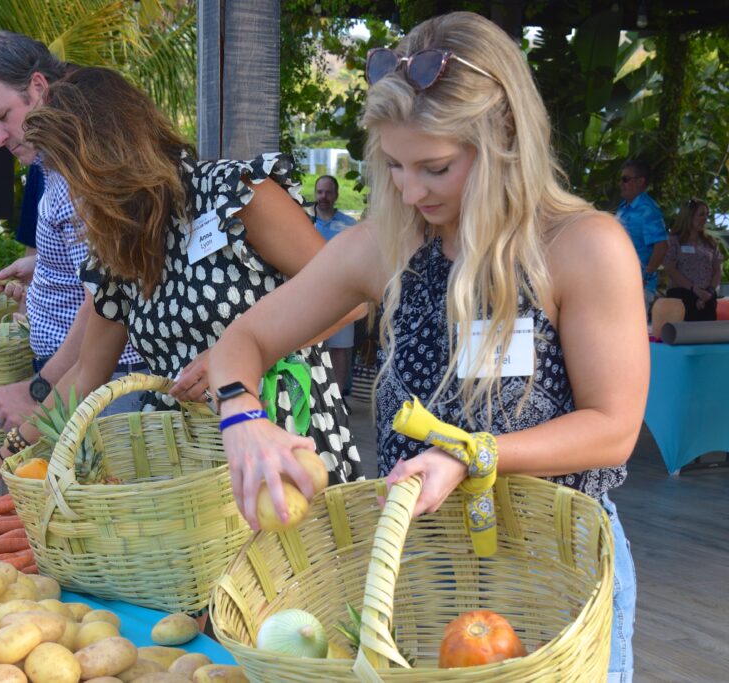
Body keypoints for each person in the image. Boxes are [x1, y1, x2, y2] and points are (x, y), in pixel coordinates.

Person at [207, 13, 643, 681]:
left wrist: (470, 455)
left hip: (556, 570)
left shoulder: (582, 247)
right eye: (393, 165)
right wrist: (242, 418)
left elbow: (613, 430)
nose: (410, 191)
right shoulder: (388, 244)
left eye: (435, 167)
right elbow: (245, 338)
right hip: (424, 576)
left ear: (503, 139)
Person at [0, 66, 364, 500]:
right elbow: (85, 373)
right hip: (188, 472)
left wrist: (241, 355)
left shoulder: (233, 195)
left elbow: (350, 298)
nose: (76, 192)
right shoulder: (120, 246)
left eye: (77, 173)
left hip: (287, 445)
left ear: (115, 149)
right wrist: (3, 458)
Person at [0, 31, 144, 445]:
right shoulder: (53, 161)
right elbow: (101, 265)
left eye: (2, 116)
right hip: (86, 377)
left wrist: (39, 387)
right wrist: (43, 270)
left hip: (102, 383)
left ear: (38, 88)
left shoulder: (81, 168)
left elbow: (106, 298)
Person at [312, 174, 358, 391]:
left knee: (340, 348)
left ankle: (338, 398)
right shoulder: (304, 221)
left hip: (341, 295)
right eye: (320, 192)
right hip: (310, 294)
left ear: (337, 195)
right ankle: (318, 397)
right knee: (312, 346)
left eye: (328, 192)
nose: (324, 196)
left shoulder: (350, 226)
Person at [617, 159, 667, 314]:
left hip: (638, 286)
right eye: (621, 179)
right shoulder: (623, 206)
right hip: (619, 281)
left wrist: (645, 277)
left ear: (640, 181)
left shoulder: (648, 210)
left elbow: (661, 245)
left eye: (625, 179)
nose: (621, 183)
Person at [663, 198, 722, 321]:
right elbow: (670, 269)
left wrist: (708, 293)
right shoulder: (674, 240)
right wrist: (694, 289)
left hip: (707, 298)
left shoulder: (710, 242)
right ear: (689, 216)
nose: (705, 218)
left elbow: (717, 270)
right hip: (681, 297)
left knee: (707, 336)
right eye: (701, 214)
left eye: (707, 215)